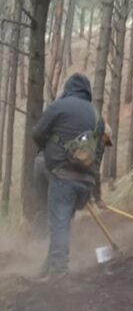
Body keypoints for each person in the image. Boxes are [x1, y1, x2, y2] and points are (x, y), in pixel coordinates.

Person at [32, 73, 106, 279]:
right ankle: (51, 264)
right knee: (62, 220)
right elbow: (100, 152)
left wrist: (47, 147)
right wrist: (95, 190)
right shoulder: (98, 116)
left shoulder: (59, 106)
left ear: (68, 89)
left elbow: (37, 133)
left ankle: (59, 272)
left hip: (62, 175)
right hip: (86, 181)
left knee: (59, 220)